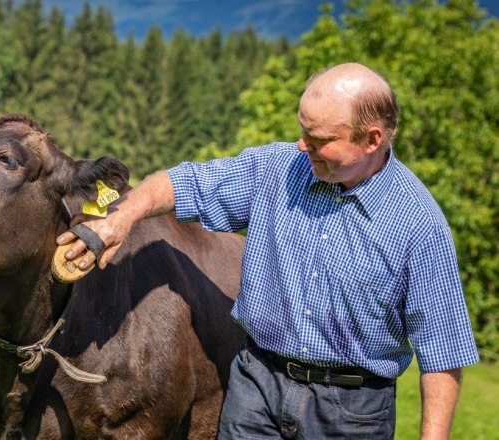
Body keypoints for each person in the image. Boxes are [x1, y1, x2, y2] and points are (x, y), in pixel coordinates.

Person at [56, 62, 479, 439]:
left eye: (319, 138)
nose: (301, 145)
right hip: (257, 385)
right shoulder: (277, 169)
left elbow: (442, 352)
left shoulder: (418, 224)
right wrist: (121, 218)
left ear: (371, 139)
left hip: (350, 412)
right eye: (302, 130)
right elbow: (186, 183)